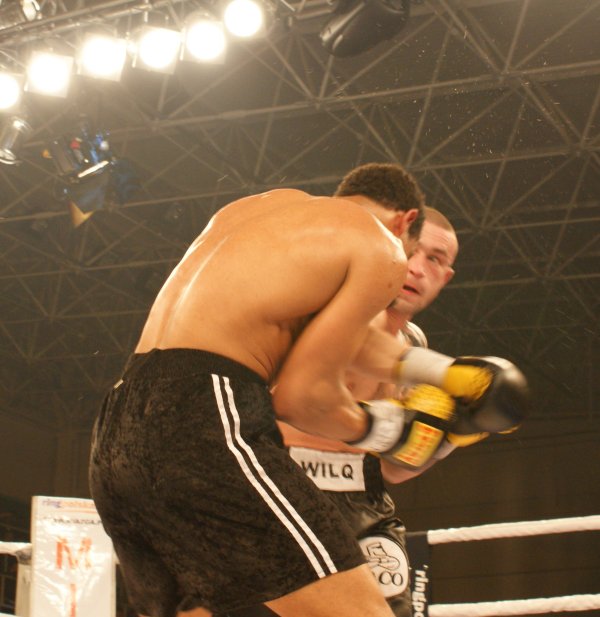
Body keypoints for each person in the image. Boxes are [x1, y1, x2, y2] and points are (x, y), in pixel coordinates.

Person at [89, 163, 529, 617]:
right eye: (414, 252)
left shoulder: (261, 212)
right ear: (406, 222)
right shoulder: (380, 246)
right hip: (207, 416)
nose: (407, 269)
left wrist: (444, 372)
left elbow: (346, 340)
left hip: (118, 426)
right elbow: (301, 398)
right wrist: (393, 430)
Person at [223, 207, 460, 617]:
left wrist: (455, 431)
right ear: (391, 246)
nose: (418, 268)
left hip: (363, 504)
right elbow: (284, 405)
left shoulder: (413, 346)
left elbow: (394, 469)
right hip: (282, 493)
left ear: (445, 277)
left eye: (435, 260)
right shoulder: (321, 316)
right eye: (413, 251)